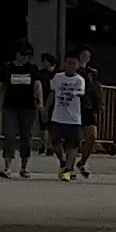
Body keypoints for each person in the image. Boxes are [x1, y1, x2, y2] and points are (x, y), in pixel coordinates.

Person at [46, 46, 90, 181]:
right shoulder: (58, 77)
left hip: (73, 118)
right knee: (55, 142)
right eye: (68, 63)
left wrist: (75, 93)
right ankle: (63, 160)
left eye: (73, 64)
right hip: (58, 116)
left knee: (72, 144)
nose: (70, 66)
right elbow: (52, 93)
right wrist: (46, 108)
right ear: (64, 64)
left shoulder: (79, 79)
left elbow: (81, 92)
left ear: (77, 65)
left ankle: (68, 169)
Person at [0, 42, 41, 180]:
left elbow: (37, 85)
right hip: (10, 106)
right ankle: (7, 166)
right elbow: (1, 86)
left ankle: (24, 166)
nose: (25, 58)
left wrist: (40, 102)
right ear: (16, 54)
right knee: (9, 135)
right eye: (23, 54)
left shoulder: (32, 69)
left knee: (26, 137)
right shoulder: (8, 67)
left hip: (28, 107)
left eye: (28, 55)